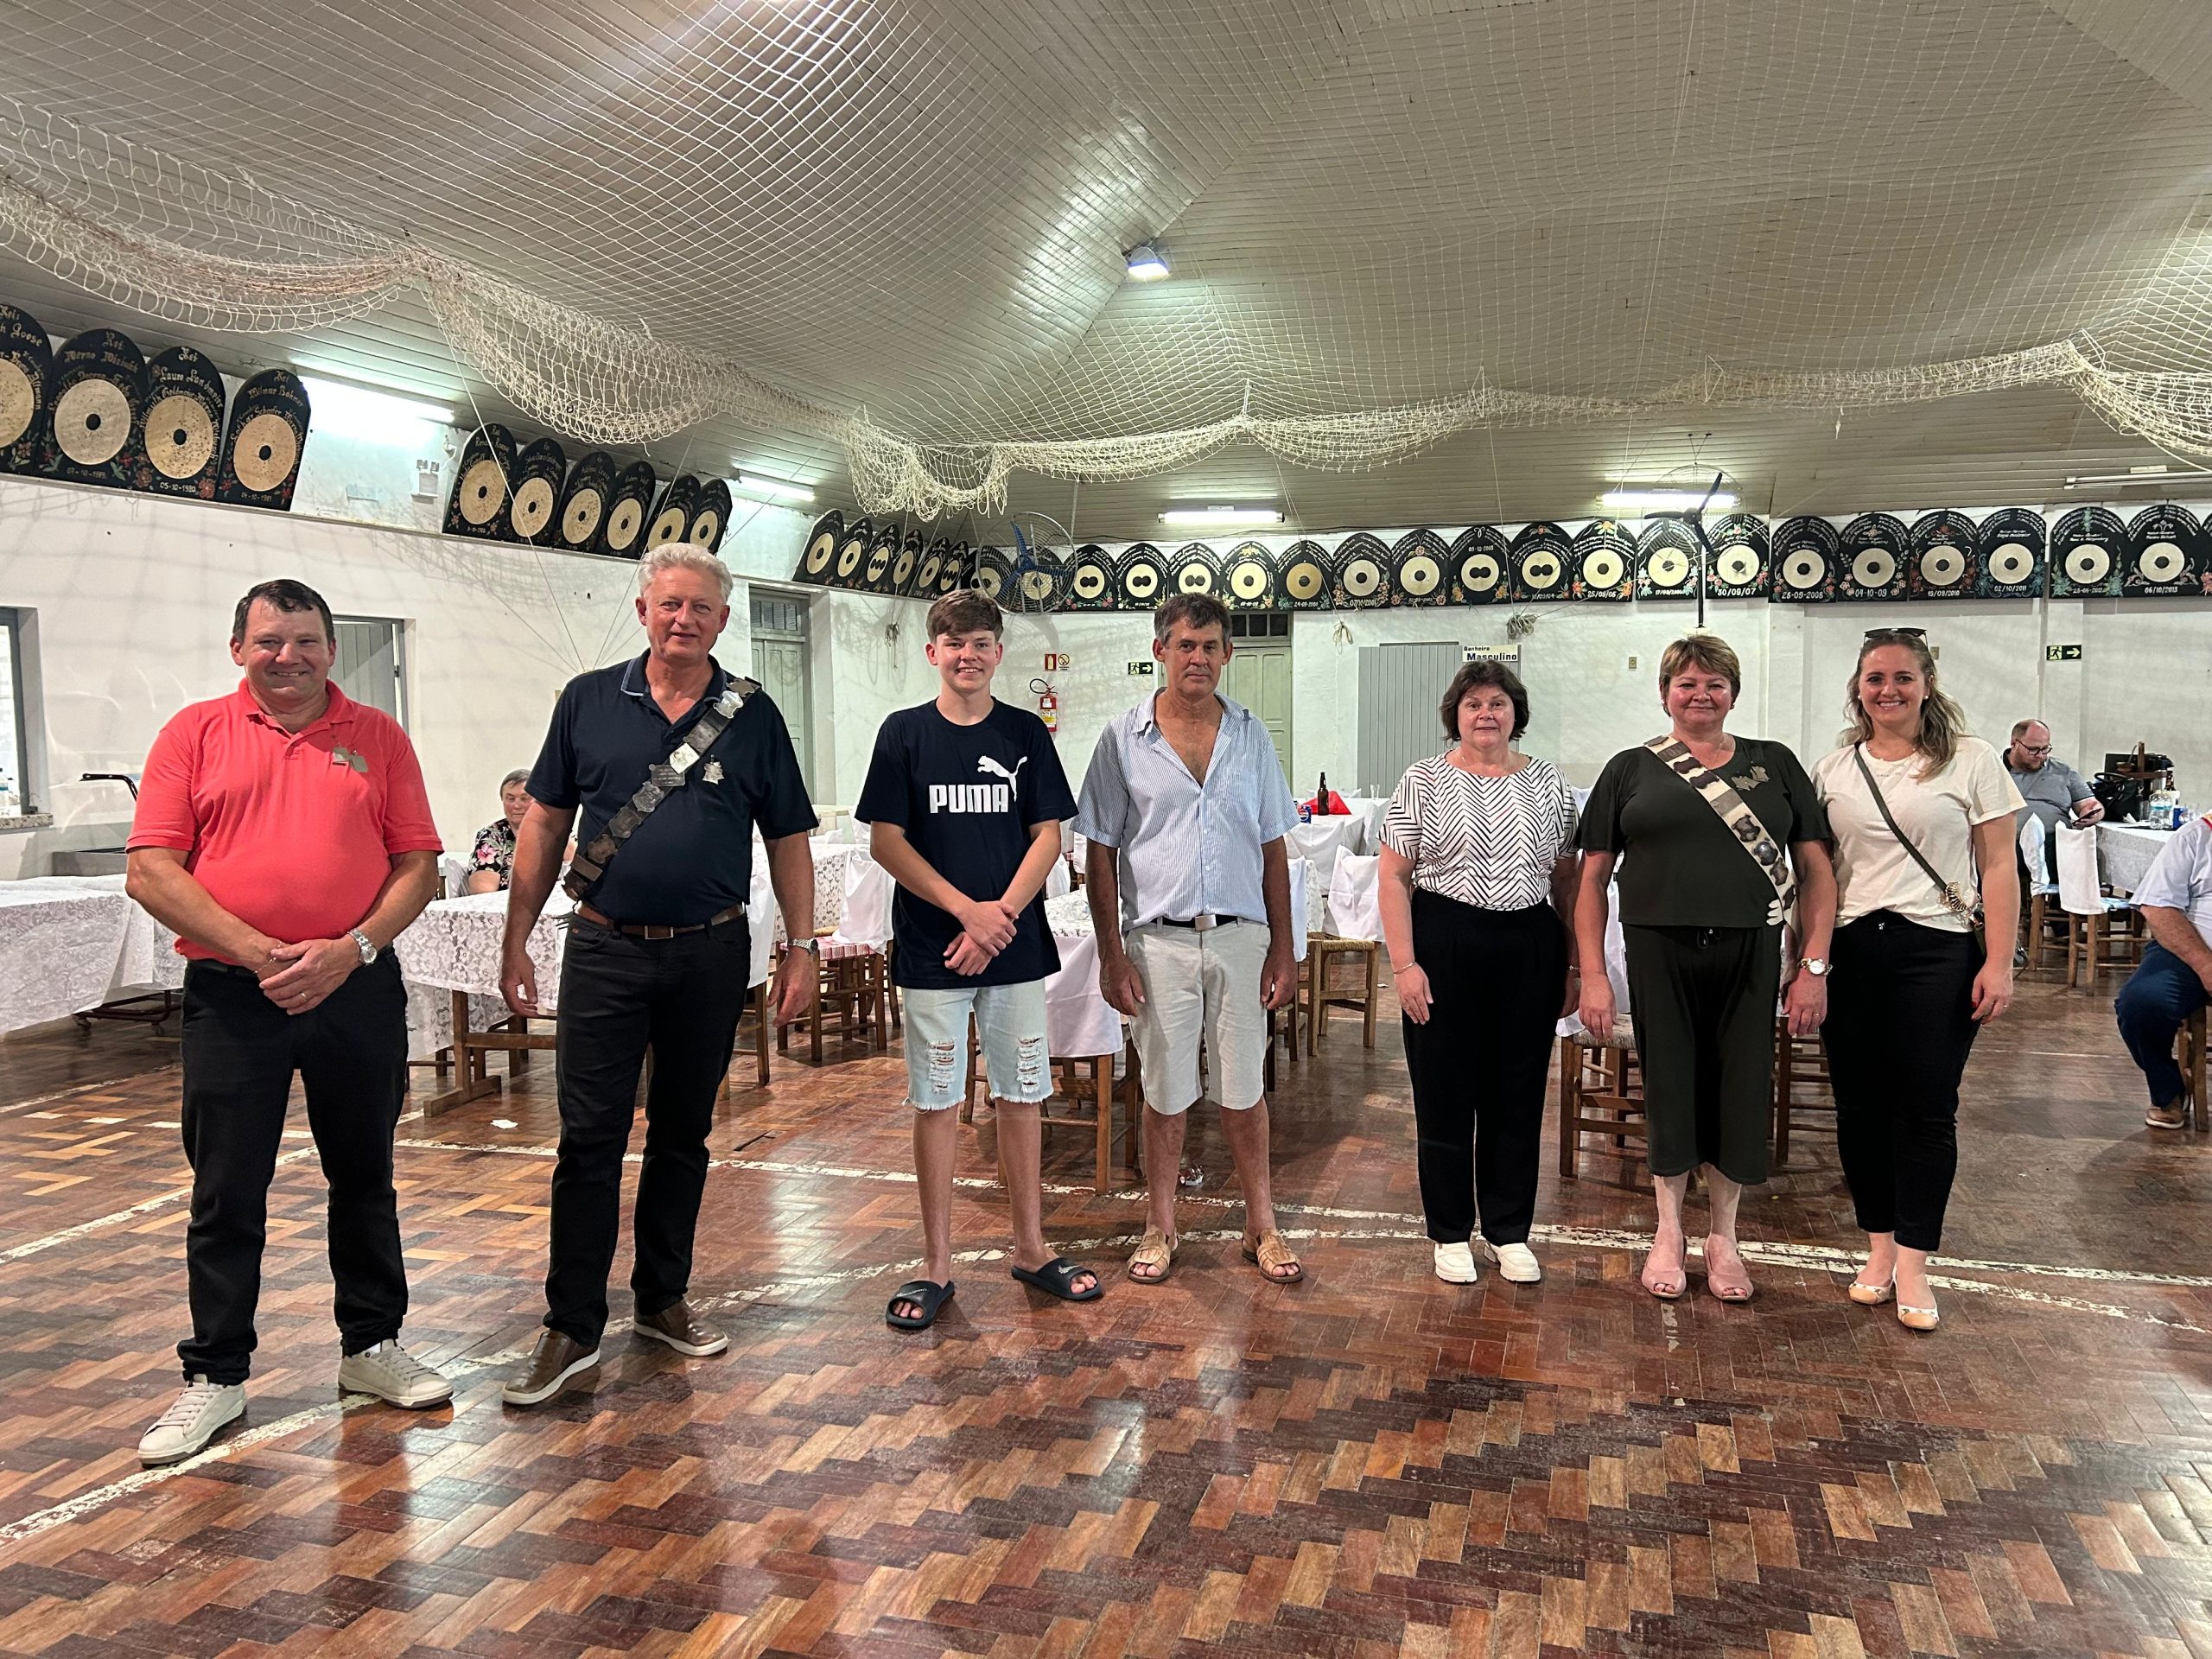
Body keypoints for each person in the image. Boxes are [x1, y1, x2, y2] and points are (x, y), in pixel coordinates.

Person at [124, 579, 448, 1465]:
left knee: (365, 1176)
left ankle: (372, 1347)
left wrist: (351, 949)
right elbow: (150, 869)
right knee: (227, 1189)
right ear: (239, 649)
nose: (288, 657)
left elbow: (418, 866)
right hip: (235, 997)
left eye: (306, 641)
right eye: (269, 641)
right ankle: (216, 1375)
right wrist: (261, 953)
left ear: (330, 650)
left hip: (355, 990)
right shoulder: (193, 734)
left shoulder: (378, 737)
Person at [498, 544, 817, 1407]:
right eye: (670, 604)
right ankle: (571, 1326)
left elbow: (787, 835)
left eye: (701, 607)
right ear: (643, 610)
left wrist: (802, 945)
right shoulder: (588, 700)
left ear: (722, 620)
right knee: (588, 1140)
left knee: (683, 1135)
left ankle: (662, 1299)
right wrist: (516, 936)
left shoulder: (752, 715)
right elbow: (544, 825)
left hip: (709, 953)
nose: (684, 619)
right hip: (604, 950)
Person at [858, 588, 1098, 1330]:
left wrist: (1000, 917)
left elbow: (1048, 836)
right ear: (933, 651)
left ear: (998, 652)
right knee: (936, 1101)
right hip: (934, 948)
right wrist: (967, 912)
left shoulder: (1025, 732)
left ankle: (1031, 1247)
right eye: (954, 643)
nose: (968, 655)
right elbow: (887, 841)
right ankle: (936, 1264)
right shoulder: (903, 734)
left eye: (982, 643)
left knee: (1022, 1093)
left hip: (1013, 946)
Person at [1575, 634, 1835, 1304]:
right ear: (1665, 693)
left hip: (1752, 948)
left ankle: (1725, 1236)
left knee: (1741, 1088)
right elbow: (1592, 879)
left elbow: (1815, 872)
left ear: (1734, 694)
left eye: (1715, 683)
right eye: (1687, 683)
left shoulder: (1773, 763)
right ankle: (1668, 1231)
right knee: (1670, 1085)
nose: (1701, 694)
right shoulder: (1629, 769)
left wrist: (1813, 966)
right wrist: (1593, 975)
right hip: (1657, 948)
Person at [1076, 592, 1303, 1287]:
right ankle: (1160, 1224)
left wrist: (1284, 947)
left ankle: (1261, 1224)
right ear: (1160, 651)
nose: (1197, 658)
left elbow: (1273, 847)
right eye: (1184, 645)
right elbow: (1099, 852)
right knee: (1165, 1094)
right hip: (1157, 943)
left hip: (1240, 937)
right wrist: (1112, 954)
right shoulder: (1122, 739)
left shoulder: (1251, 736)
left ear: (1227, 653)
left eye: (1209, 646)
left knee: (1244, 1091)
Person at [1814, 629, 2021, 1333]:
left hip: (1937, 949)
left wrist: (1999, 961)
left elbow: (1999, 867)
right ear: (1858, 688)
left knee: (1927, 1108)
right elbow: (1818, 873)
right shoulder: (1834, 768)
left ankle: (1914, 1260)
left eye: (1903, 677)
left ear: (1928, 685)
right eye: (1875, 678)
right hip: (1852, 948)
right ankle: (1877, 1247)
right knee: (1858, 1107)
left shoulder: (1972, 759)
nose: (1889, 690)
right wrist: (1808, 962)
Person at [1377, 659, 1578, 1286]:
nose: (1486, 714)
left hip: (1529, 942)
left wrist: (1573, 962)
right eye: (1473, 704)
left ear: (1516, 713)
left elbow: (1566, 877)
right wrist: (1404, 965)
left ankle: (1508, 1230)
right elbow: (1393, 878)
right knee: (1443, 1091)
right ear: (1455, 715)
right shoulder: (1423, 779)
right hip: (1445, 939)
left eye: (1497, 703)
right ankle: (1448, 1231)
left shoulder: (1548, 782)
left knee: (1517, 1093)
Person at [2113, 811, 2212, 1131]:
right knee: (2141, 1004)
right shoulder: (2196, 836)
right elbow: (2158, 906)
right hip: (2190, 951)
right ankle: (2167, 1089)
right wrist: (2206, 965)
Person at [2005, 719, 2103, 838]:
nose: (2040, 755)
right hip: (2007, 842)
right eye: (2033, 749)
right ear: (2014, 744)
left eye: (2045, 749)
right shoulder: (1995, 771)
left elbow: (2090, 804)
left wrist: (2092, 812)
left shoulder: (2063, 771)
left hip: (2056, 841)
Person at [463, 770, 533, 893]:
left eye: (524, 798)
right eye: (510, 799)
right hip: (507, 903)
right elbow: (483, 892)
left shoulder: (555, 831)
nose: (517, 805)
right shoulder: (491, 836)